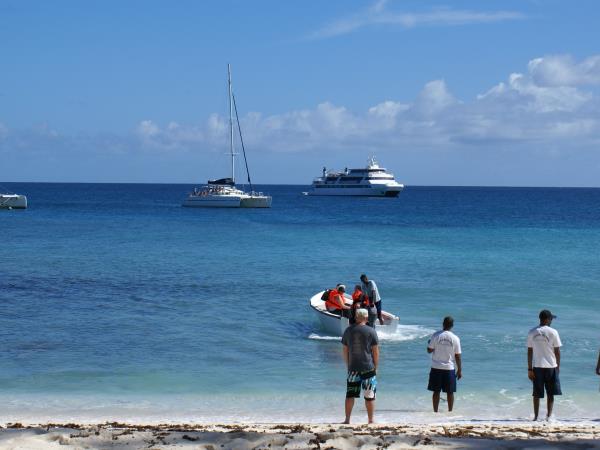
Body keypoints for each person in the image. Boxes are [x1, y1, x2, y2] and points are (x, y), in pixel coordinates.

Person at [341, 308, 379, 424]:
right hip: (368, 368)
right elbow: (375, 352)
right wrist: (375, 367)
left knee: (350, 395)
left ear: (356, 317)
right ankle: (371, 420)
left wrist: (348, 365)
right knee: (370, 396)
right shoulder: (371, 331)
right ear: (367, 318)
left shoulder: (348, 331)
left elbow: (345, 350)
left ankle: (347, 420)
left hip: (353, 368)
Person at [527, 309, 562, 421]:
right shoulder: (553, 332)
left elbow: (529, 351)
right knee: (550, 393)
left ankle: (536, 417)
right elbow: (557, 351)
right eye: (551, 318)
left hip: (537, 367)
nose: (552, 320)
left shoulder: (532, 332)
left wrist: (529, 369)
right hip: (551, 366)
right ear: (547, 319)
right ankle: (549, 417)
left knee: (536, 394)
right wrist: (558, 367)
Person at [427, 316, 462, 412]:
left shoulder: (435, 335)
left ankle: (435, 412)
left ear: (443, 324)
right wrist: (459, 370)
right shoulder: (455, 338)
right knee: (450, 392)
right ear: (452, 326)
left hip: (436, 367)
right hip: (449, 368)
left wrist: (430, 343)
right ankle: (450, 411)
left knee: (436, 391)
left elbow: (429, 350)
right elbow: (458, 356)